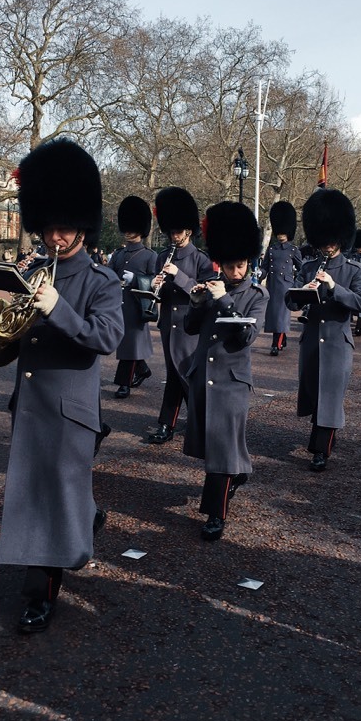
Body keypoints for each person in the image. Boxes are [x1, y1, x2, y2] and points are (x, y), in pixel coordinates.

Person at [0, 138, 124, 634]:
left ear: (82, 228)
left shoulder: (102, 281)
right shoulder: (33, 273)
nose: (54, 235)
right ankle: (85, 516)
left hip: (69, 409)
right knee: (37, 494)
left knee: (51, 498)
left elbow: (105, 338)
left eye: (63, 226)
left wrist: (56, 308)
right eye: (48, 226)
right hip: (30, 402)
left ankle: (40, 595)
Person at [183, 201, 269, 541]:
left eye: (241, 265)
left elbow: (246, 336)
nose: (236, 271)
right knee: (216, 447)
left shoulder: (256, 295)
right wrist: (196, 302)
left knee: (220, 450)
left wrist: (223, 301)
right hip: (204, 377)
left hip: (232, 383)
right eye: (231, 265)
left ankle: (215, 516)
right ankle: (238, 472)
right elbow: (191, 328)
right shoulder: (211, 286)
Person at [285, 189, 361, 473]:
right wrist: (302, 292)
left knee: (330, 395)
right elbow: (290, 299)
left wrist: (334, 288)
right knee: (314, 391)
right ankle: (323, 436)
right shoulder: (309, 267)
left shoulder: (353, 269)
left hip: (336, 342)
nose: (327, 245)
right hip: (311, 341)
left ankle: (320, 450)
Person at [147, 187, 213, 445]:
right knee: (174, 374)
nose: (174, 235)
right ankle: (168, 423)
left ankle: (199, 422)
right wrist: (156, 285)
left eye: (178, 231)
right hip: (168, 325)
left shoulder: (200, 259)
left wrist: (180, 276)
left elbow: (204, 294)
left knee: (188, 374)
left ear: (188, 230)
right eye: (171, 231)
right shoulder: (162, 256)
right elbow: (161, 294)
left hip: (189, 326)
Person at [108, 196, 157, 399]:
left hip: (138, 306)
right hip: (120, 305)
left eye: (133, 227)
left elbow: (156, 280)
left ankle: (124, 383)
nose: (128, 231)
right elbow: (109, 275)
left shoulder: (149, 255)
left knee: (130, 344)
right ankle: (143, 369)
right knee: (127, 343)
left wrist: (136, 279)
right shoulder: (119, 254)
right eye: (126, 227)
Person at [260, 201, 301, 356]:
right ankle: (281, 339)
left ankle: (275, 344)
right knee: (273, 316)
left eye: (283, 231)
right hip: (272, 285)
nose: (281, 234)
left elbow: (302, 268)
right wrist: (259, 275)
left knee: (281, 316)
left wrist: (297, 283)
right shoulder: (271, 249)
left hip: (285, 286)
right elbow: (265, 267)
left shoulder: (293, 250)